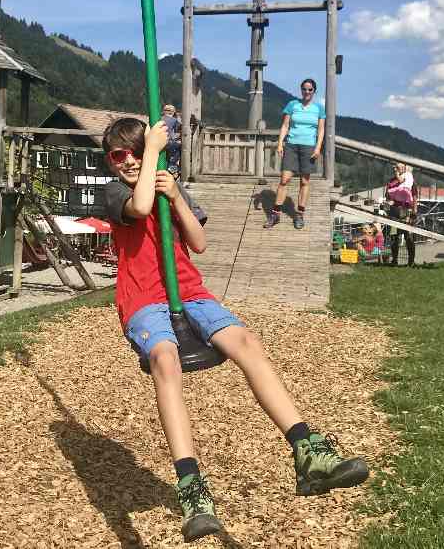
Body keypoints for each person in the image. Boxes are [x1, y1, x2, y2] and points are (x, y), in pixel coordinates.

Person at [102, 117, 369, 542]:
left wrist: (176, 196)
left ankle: (306, 449)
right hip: (143, 300)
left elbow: (199, 242)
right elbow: (137, 207)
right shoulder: (113, 190)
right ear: (111, 162)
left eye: (137, 149)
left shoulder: (168, 184)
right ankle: (192, 488)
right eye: (121, 154)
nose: (130, 160)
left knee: (247, 341)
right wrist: (152, 151)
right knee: (164, 360)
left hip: (188, 290)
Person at [267, 79, 325, 230]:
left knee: (304, 182)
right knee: (284, 179)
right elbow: (285, 125)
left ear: (314, 91)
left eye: (310, 89)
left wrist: (318, 148)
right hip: (292, 145)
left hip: (309, 147)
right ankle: (275, 214)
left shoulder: (319, 108)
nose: (307, 92)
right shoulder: (293, 105)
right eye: (304, 89)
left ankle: (299, 214)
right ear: (301, 90)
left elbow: (320, 130)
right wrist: (280, 143)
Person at [384, 163, 417, 266]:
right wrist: (388, 204)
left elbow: (414, 196)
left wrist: (414, 211)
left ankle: (411, 261)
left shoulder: (409, 180)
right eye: (395, 167)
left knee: (409, 237)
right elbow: (387, 195)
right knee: (394, 237)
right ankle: (394, 260)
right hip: (394, 211)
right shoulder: (391, 181)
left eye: (399, 167)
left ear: (404, 168)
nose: (396, 169)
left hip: (406, 211)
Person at [162, 103, 182, 176]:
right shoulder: (174, 120)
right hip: (169, 142)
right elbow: (179, 130)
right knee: (180, 147)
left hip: (160, 142)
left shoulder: (160, 119)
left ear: (164, 111)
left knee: (167, 156)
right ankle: (174, 169)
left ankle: (167, 168)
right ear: (173, 112)